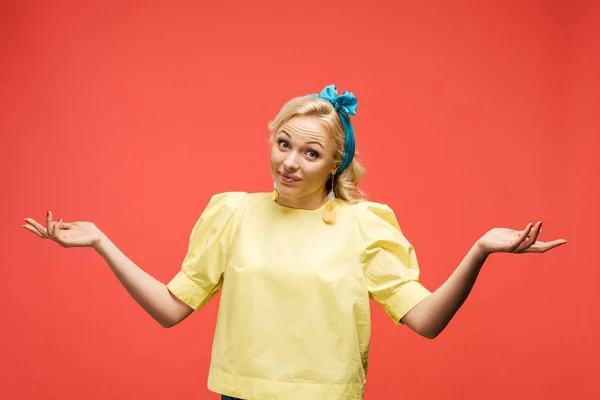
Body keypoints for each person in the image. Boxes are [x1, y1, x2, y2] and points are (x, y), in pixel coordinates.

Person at [23, 84, 567, 400]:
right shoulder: (233, 213)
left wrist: (478, 251)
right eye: (284, 143)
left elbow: (425, 322)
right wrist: (100, 243)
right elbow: (171, 308)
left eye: (310, 153)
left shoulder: (366, 224)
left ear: (336, 163)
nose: (290, 161)